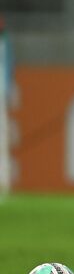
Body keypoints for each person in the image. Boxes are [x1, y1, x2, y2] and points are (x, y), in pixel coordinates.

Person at [0, 15, 14, 196]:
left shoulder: (6, 43)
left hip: (0, 95)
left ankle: (4, 181)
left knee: (2, 142)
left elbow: (9, 67)